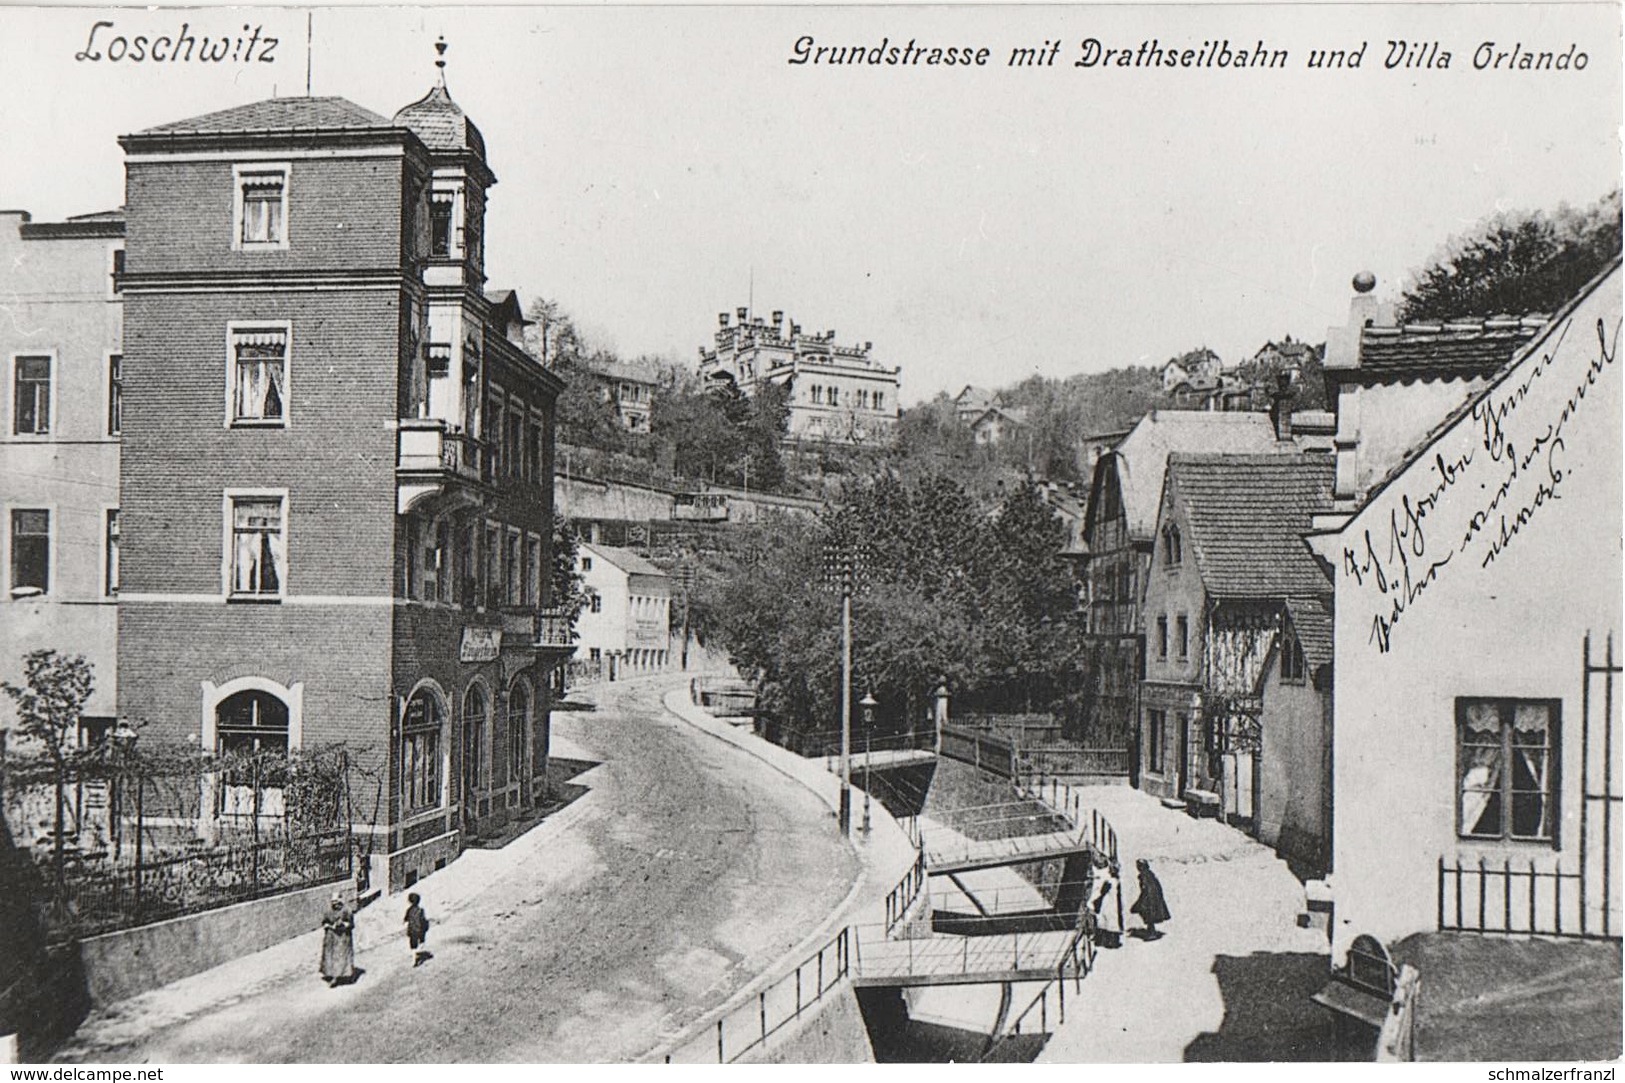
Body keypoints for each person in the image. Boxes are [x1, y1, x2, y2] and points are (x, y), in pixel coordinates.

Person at [1129, 858, 1171, 939]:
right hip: (1153, 897)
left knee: (1147, 914)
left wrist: (1142, 900)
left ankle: (1151, 933)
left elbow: (1146, 889)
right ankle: (1151, 930)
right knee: (1148, 914)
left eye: (1139, 866)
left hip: (1149, 898)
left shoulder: (1144, 876)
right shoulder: (1150, 874)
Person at [320, 893, 356, 985]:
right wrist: (328, 925)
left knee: (342, 956)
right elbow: (324, 922)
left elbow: (351, 924)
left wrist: (343, 924)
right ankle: (332, 975)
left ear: (340, 900)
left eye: (336, 901)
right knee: (331, 956)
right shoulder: (328, 911)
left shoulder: (347, 910)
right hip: (331, 937)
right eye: (332, 902)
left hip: (343, 937)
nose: (334, 904)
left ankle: (346, 975)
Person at [1092, 855, 1124, 948]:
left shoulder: (1110, 881)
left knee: (1105, 920)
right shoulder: (1116, 881)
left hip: (1108, 902)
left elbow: (1103, 891)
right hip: (1112, 902)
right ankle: (1112, 941)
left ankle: (1105, 941)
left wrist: (1097, 900)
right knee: (1111, 921)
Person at [404, 892, 430, 966]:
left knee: (413, 946)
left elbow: (406, 919)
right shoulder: (420, 910)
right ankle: (419, 950)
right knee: (421, 941)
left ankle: (414, 958)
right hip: (419, 929)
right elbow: (423, 919)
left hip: (412, 930)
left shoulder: (409, 910)